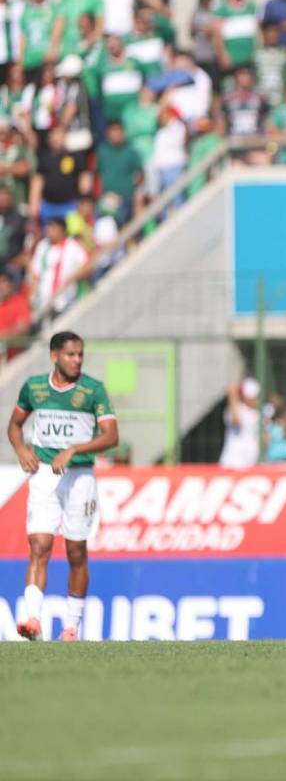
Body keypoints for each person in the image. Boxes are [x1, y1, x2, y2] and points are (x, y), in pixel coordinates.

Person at [9, 330, 119, 641]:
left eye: (81, 354)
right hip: (45, 474)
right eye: (71, 354)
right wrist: (21, 450)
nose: (77, 360)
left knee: (76, 552)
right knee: (39, 547)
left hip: (80, 478)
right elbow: (15, 425)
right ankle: (32, 619)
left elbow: (111, 436)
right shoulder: (34, 388)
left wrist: (74, 450)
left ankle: (71, 627)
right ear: (54, 356)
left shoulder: (92, 390)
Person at [29, 216, 90, 317]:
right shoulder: (43, 246)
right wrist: (32, 295)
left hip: (65, 299)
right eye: (48, 228)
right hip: (44, 299)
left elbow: (87, 266)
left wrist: (74, 277)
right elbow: (36, 272)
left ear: (62, 230)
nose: (49, 231)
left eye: (53, 228)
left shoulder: (73, 246)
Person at [211, 0, 258, 82]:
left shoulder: (250, 7)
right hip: (231, 59)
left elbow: (256, 32)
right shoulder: (222, 9)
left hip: (247, 57)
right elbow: (216, 34)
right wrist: (222, 54)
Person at [218, 377, 261, 469]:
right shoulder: (238, 409)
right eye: (252, 398)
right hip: (233, 463)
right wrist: (232, 396)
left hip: (250, 464)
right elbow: (236, 421)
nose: (255, 400)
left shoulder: (257, 413)